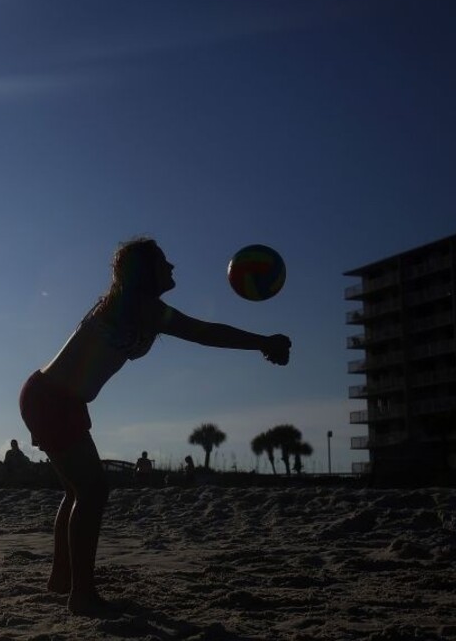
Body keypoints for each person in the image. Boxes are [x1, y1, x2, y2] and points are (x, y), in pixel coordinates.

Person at [19, 237, 290, 615]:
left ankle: (63, 580)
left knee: (78, 492)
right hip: (50, 399)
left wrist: (261, 342)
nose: (173, 266)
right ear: (146, 272)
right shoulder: (141, 308)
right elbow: (205, 332)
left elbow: (200, 332)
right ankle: (81, 595)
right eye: (164, 261)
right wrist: (263, 341)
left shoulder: (138, 307)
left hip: (60, 399)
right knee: (92, 492)